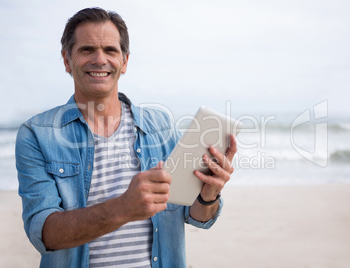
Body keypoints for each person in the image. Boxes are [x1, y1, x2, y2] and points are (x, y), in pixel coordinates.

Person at [16, 7, 237, 268]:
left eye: (110, 50)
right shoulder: (37, 135)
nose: (100, 59)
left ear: (125, 62)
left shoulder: (162, 127)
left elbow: (198, 216)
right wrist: (122, 208)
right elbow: (44, 234)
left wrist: (208, 195)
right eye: (87, 50)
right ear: (67, 60)